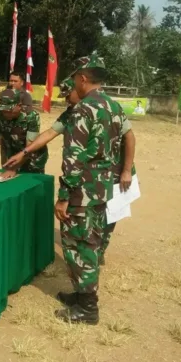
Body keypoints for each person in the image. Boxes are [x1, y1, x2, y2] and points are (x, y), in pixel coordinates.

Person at [5, 57, 137, 266]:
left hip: (115, 170)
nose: (67, 100)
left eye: (70, 94)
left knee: (106, 218)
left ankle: (94, 258)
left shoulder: (99, 107)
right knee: (94, 220)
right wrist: (24, 151)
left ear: (81, 83)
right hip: (94, 174)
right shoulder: (73, 112)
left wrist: (127, 170)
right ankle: (93, 256)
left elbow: (129, 137)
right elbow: (50, 132)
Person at [53, 56, 119, 325]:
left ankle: (88, 309)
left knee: (81, 246)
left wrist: (64, 196)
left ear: (82, 78)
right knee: (89, 241)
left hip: (83, 190)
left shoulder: (84, 109)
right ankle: (81, 296)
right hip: (101, 188)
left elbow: (74, 157)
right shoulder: (112, 105)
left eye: (74, 79)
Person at [0, 88, 48, 177]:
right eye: (4, 111)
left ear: (19, 105)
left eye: (10, 110)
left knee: (30, 184)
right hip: (12, 155)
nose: (6, 114)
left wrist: (14, 168)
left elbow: (30, 147)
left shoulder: (31, 116)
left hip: (32, 158)